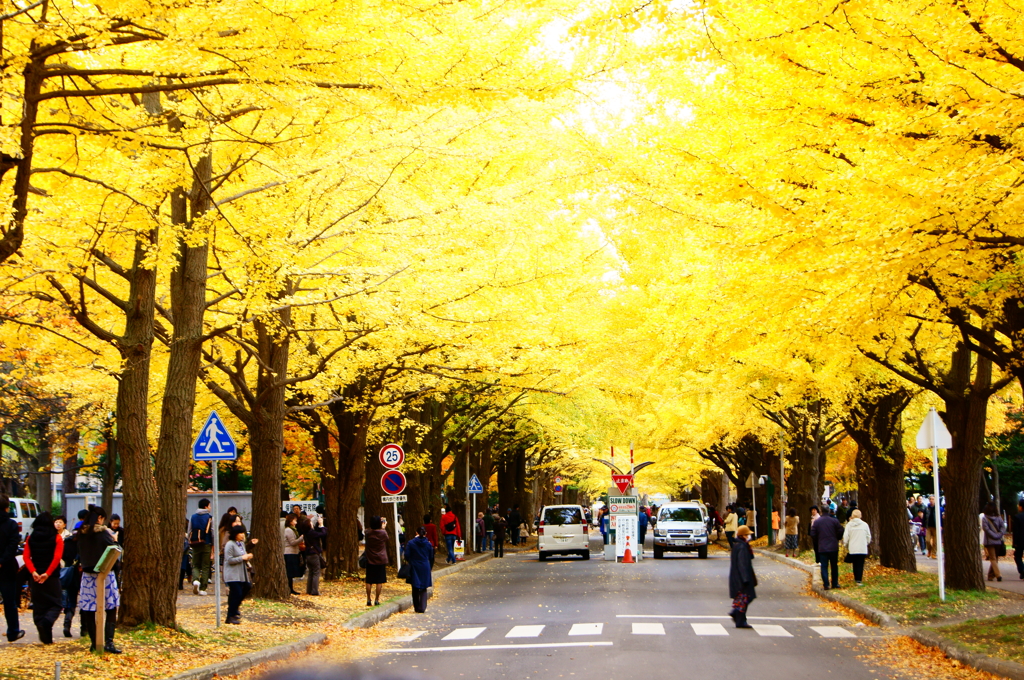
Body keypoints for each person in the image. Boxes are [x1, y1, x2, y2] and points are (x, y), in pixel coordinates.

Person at [77, 505, 122, 653]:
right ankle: (108, 642)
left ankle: (94, 642)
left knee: (89, 610)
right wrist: (115, 540)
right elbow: (114, 551)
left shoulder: (81, 533)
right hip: (105, 573)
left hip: (87, 575)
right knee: (110, 607)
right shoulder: (103, 534)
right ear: (100, 518)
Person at [23, 513, 64, 644]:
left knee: (39, 605)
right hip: (51, 577)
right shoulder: (57, 538)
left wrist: (33, 572)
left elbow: (26, 557)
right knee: (56, 603)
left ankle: (45, 634)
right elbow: (57, 558)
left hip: (35, 577)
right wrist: (47, 573)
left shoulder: (31, 538)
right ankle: (47, 623)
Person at [0, 493, 24, 643]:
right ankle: (13, 631)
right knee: (9, 601)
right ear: (7, 508)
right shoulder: (11, 525)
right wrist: (2, 559)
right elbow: (13, 545)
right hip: (7, 567)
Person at [55, 515, 79, 638]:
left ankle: (66, 623)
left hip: (66, 571)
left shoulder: (67, 542)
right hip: (78, 573)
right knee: (74, 599)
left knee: (68, 596)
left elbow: (61, 556)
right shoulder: (82, 543)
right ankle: (75, 625)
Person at [223, 526, 253, 624]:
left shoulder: (241, 544)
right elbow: (229, 560)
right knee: (236, 593)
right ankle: (230, 615)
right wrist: (242, 558)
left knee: (247, 587)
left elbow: (243, 555)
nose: (242, 535)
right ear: (235, 534)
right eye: (240, 533)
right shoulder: (230, 544)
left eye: (243, 533)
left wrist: (247, 557)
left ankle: (234, 610)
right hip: (232, 573)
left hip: (241, 573)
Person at [728, 525, 757, 629]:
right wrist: (745, 579)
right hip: (742, 578)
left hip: (738, 577)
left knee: (743, 599)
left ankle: (739, 617)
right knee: (745, 598)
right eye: (748, 535)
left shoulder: (739, 545)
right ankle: (737, 616)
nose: (749, 536)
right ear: (743, 535)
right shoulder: (742, 547)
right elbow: (742, 564)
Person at [811, 507, 843, 590]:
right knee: (834, 566)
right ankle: (835, 583)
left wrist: (818, 541)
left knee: (824, 566)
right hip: (833, 546)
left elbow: (813, 533)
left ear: (821, 511)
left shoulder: (817, 522)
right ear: (829, 511)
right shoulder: (834, 521)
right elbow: (841, 530)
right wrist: (837, 538)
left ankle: (826, 584)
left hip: (822, 547)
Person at [404, 526, 433, 613]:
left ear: (416, 533)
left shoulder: (411, 543)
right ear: (425, 533)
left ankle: (416, 606)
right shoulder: (428, 544)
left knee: (415, 586)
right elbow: (431, 556)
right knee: (423, 587)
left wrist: (410, 561)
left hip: (414, 565)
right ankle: (422, 606)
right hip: (425, 565)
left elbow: (407, 555)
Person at [189, 498, 214, 595]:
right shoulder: (209, 517)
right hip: (206, 543)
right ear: (206, 506)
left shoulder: (193, 517)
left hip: (195, 544)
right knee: (205, 566)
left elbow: (189, 530)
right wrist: (213, 546)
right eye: (209, 505)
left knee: (195, 564)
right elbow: (212, 533)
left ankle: (195, 580)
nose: (210, 507)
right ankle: (203, 588)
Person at [363, 515, 389, 606]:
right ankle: (377, 599)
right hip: (380, 559)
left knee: (369, 580)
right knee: (379, 581)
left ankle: (368, 599)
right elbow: (387, 539)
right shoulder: (383, 533)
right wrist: (383, 527)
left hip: (370, 559)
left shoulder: (368, 533)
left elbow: (367, 530)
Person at [300, 513, 327, 596]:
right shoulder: (311, 533)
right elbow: (323, 534)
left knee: (311, 572)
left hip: (308, 554)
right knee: (316, 572)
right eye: (310, 522)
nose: (312, 523)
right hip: (314, 554)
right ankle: (314, 590)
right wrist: (322, 525)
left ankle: (309, 589)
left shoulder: (306, 533)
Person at [843, 509, 872, 585]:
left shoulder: (849, 525)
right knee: (860, 564)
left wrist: (846, 545)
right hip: (862, 548)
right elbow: (868, 536)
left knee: (855, 564)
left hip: (853, 548)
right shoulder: (865, 525)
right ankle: (859, 579)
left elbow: (846, 537)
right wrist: (866, 543)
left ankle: (856, 578)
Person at [982, 501, 1007, 582]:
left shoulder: (984, 518)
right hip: (998, 541)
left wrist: (993, 535)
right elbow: (1003, 528)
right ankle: (997, 574)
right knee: (995, 558)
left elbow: (986, 529)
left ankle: (993, 575)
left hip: (989, 541)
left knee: (993, 558)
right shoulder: (999, 518)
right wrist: (998, 535)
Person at [283, 513, 304, 595]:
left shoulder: (293, 529)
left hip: (293, 552)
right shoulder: (288, 530)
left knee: (291, 573)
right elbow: (292, 542)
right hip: (289, 553)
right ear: (290, 521)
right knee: (290, 573)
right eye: (295, 520)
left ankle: (290, 588)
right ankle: (289, 588)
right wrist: (301, 538)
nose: (296, 522)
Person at [1013, 499, 1024, 580]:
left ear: (1021, 507)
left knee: (1017, 556)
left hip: (1020, 540)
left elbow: (1016, 531)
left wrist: (1015, 542)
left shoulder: (1017, 517)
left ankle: (1022, 570)